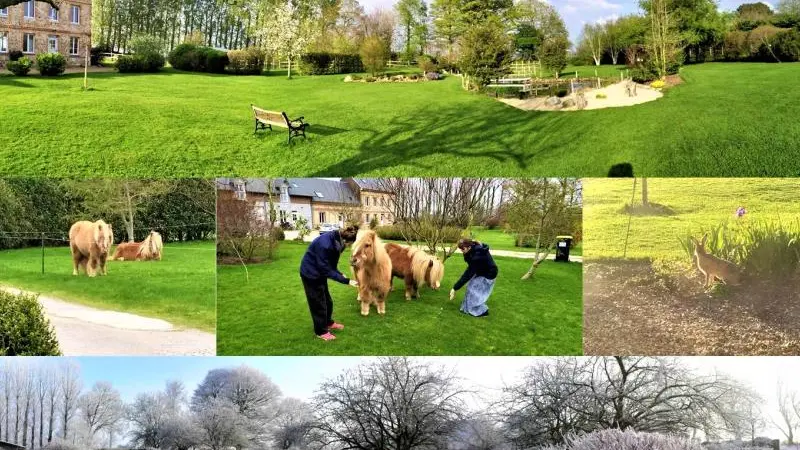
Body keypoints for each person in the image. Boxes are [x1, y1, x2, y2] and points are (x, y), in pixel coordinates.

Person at [299, 225, 359, 340]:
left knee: (328, 301)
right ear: (346, 241)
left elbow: (331, 264)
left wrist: (339, 273)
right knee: (318, 303)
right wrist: (346, 281)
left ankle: (328, 323)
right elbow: (325, 269)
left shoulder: (337, 241)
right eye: (350, 244)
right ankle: (321, 331)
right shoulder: (325, 244)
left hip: (319, 272)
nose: (348, 247)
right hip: (310, 274)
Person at [449, 239, 498, 317]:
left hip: (489, 274)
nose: (461, 251)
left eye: (463, 249)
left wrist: (455, 288)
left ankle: (482, 312)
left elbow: (468, 274)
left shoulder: (477, 255)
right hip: (481, 271)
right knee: (470, 287)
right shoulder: (472, 250)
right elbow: (471, 266)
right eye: (460, 249)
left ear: (469, 247)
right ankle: (468, 307)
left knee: (474, 290)